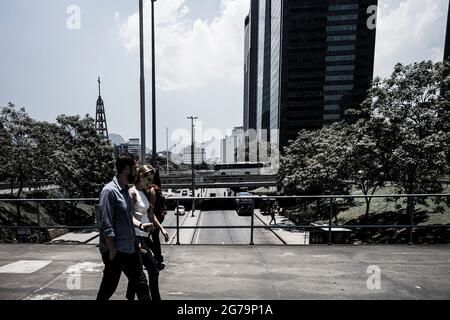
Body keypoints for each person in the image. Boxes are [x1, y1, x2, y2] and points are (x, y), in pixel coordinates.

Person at [96, 155, 150, 300]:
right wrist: (112, 249)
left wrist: (140, 228)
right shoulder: (109, 191)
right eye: (136, 168)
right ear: (127, 169)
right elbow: (105, 223)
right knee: (109, 287)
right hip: (116, 251)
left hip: (129, 248)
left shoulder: (125, 190)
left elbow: (126, 219)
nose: (137, 172)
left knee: (142, 285)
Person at [126, 165, 170, 300]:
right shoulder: (132, 192)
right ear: (141, 177)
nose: (150, 183)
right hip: (136, 237)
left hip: (144, 236)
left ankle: (130, 297)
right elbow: (128, 216)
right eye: (148, 180)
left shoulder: (145, 193)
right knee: (152, 270)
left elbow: (151, 215)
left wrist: (161, 229)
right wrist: (140, 225)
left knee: (137, 272)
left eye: (151, 180)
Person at [147, 170, 169, 271]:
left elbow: (151, 208)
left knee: (150, 239)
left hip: (154, 217)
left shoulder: (152, 190)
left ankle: (158, 258)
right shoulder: (157, 187)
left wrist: (152, 221)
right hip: (158, 216)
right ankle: (158, 258)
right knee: (154, 238)